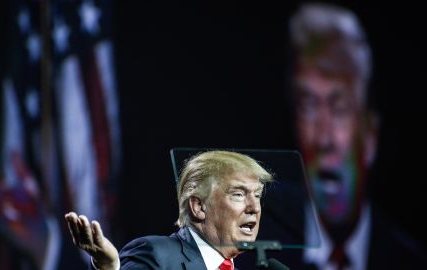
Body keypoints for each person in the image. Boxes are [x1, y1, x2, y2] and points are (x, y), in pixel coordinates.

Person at [283, 3, 426, 269]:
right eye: (309, 106)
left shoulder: (410, 263)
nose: (323, 139)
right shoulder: (249, 257)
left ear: (370, 135)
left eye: (339, 108)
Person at [65, 150, 273, 269]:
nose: (254, 207)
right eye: (238, 194)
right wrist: (109, 268)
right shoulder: (157, 255)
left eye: (257, 195)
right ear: (199, 206)